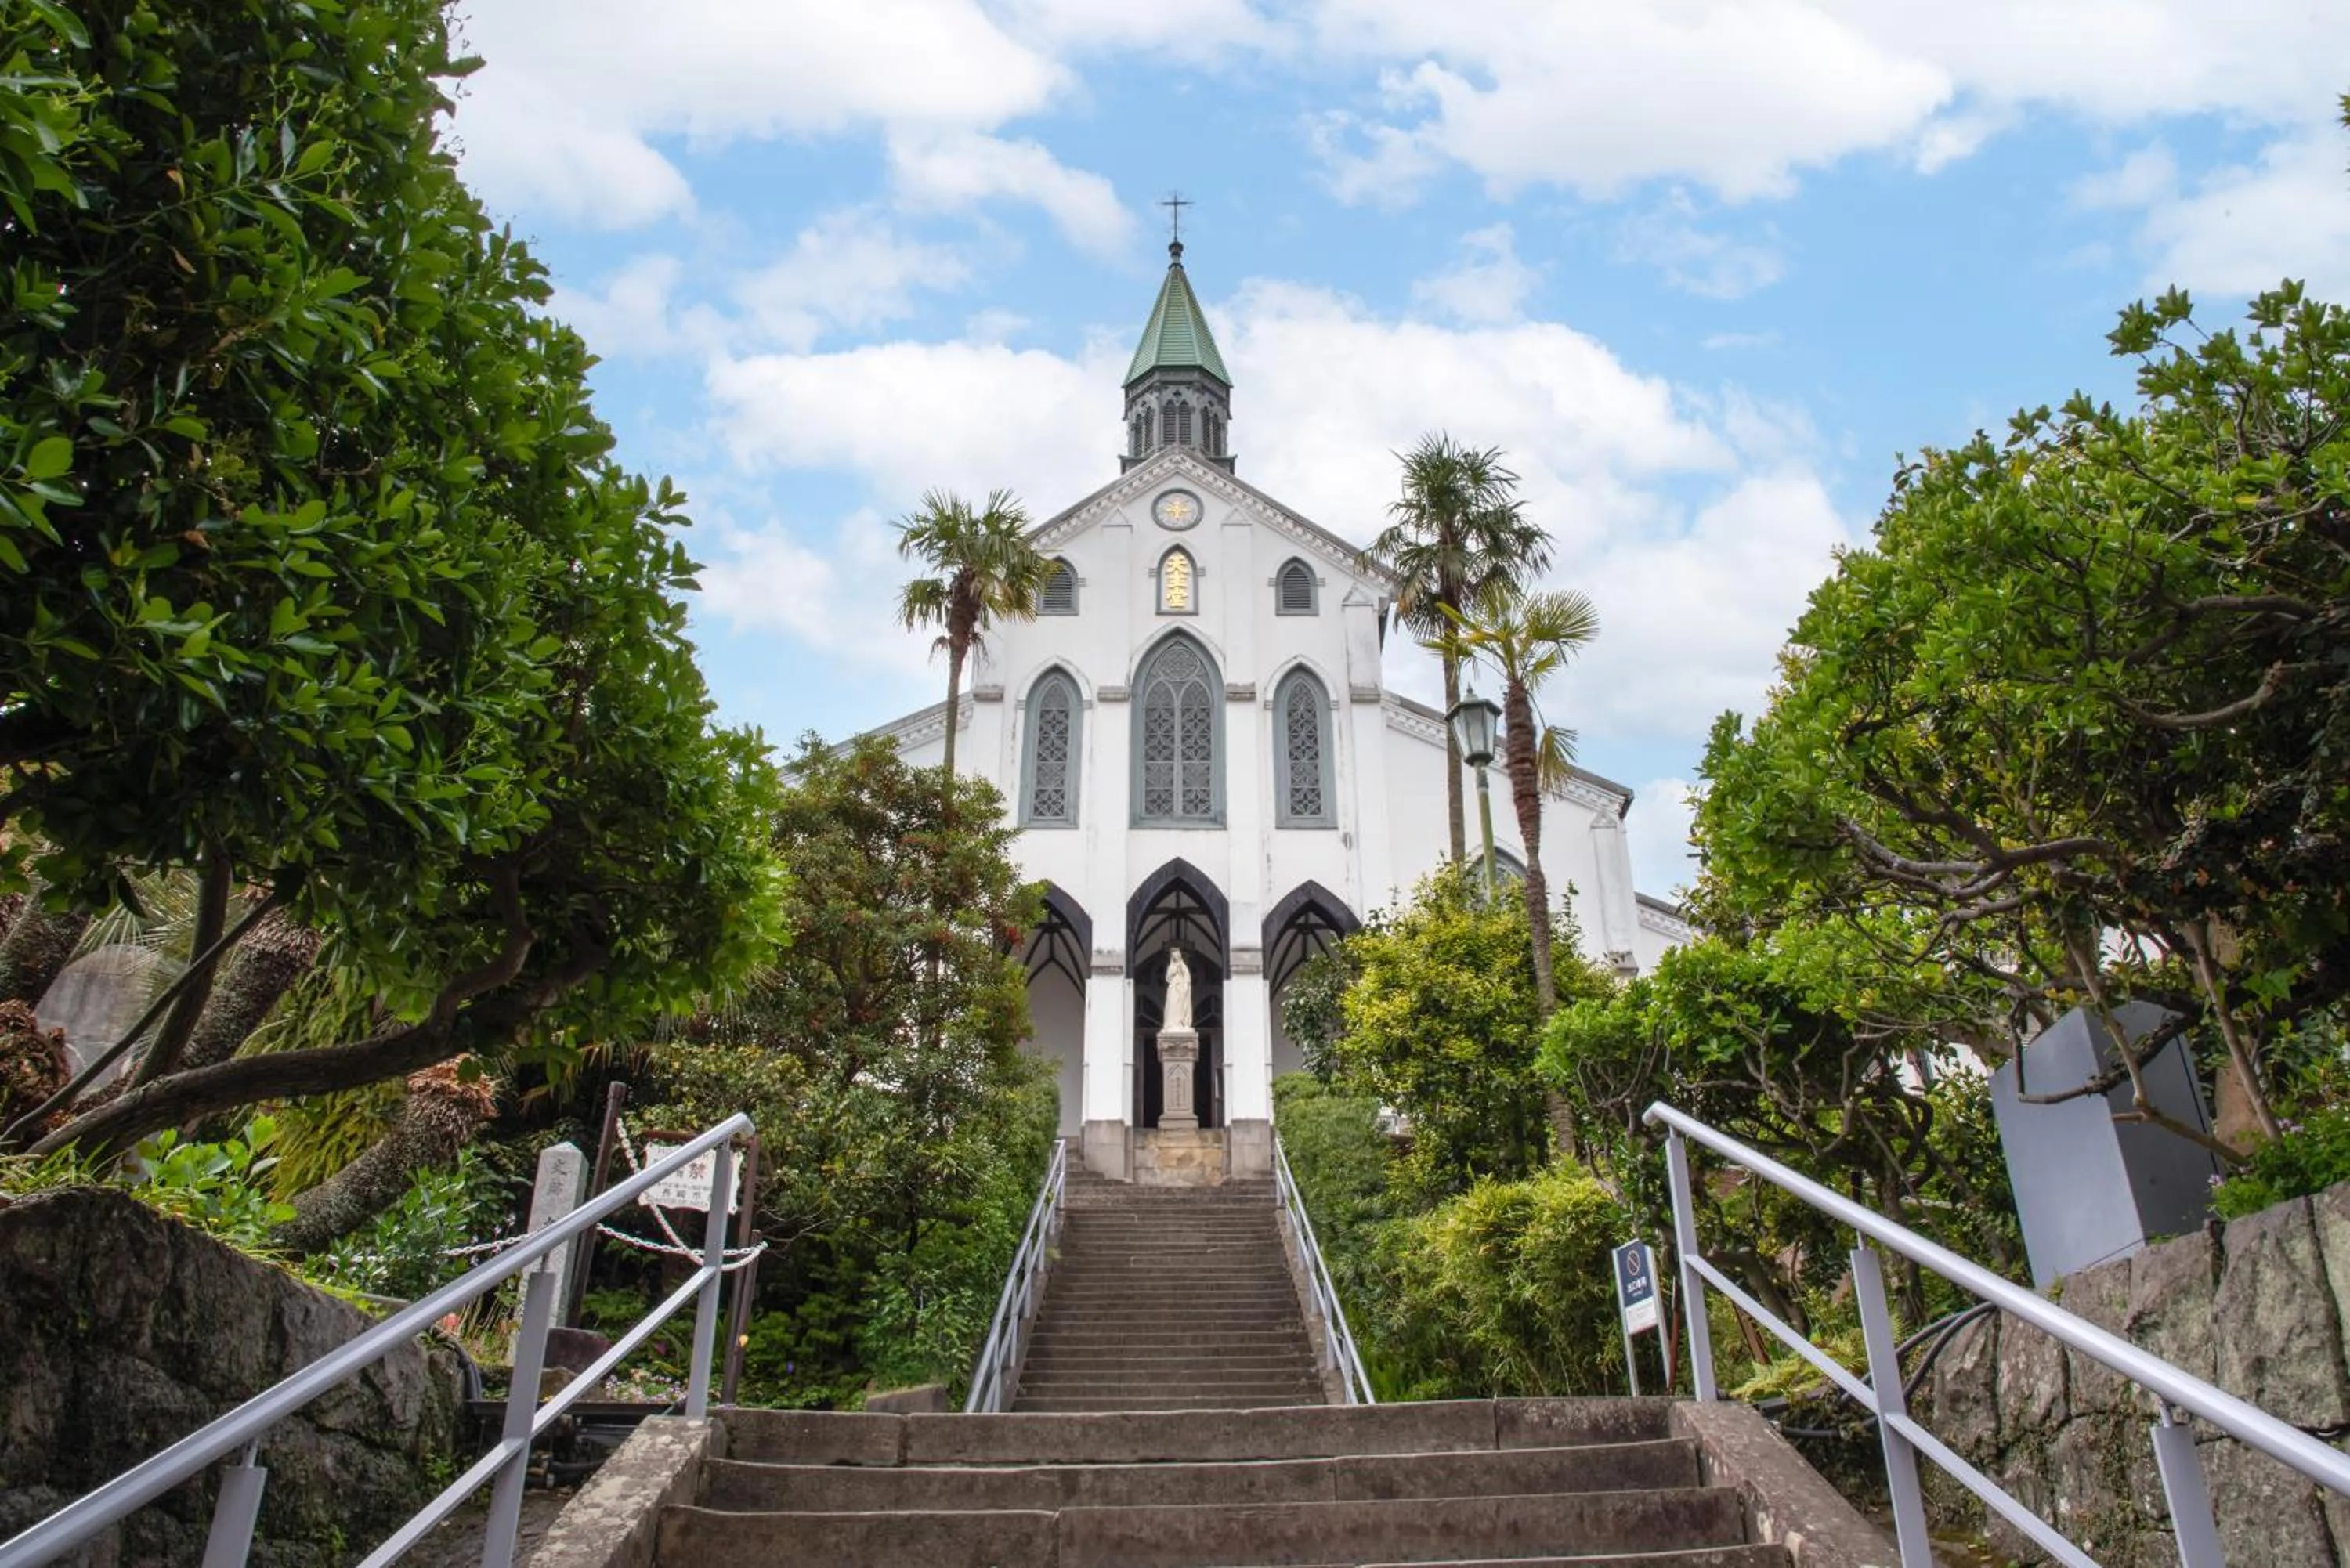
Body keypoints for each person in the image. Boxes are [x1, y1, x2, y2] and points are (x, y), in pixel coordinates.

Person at [1163, 946, 1193, 1034]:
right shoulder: (1171, 967)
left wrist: (1186, 986)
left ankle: (1180, 1023)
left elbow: (1187, 978)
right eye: (1174, 955)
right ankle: (1172, 1024)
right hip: (1173, 988)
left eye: (1177, 955)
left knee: (1181, 1006)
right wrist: (1174, 971)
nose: (1176, 957)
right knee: (1172, 1004)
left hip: (1181, 988)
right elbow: (1167, 978)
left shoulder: (1183, 966)